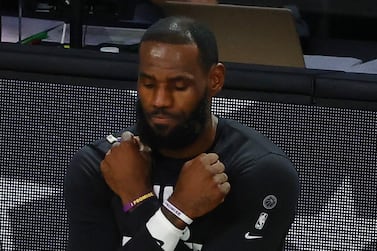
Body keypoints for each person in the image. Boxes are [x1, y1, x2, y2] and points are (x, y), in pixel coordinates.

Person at [64, 16, 300, 251]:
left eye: (178, 87)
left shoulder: (260, 173)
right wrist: (176, 210)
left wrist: (138, 199)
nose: (160, 101)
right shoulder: (101, 165)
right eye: (148, 84)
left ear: (214, 80)